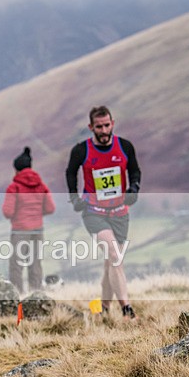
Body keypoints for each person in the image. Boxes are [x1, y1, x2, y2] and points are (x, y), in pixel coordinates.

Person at [66, 105, 141, 319]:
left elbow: (135, 170)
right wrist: (75, 198)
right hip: (94, 213)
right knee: (115, 256)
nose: (104, 130)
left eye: (107, 125)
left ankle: (104, 310)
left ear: (113, 124)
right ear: (91, 127)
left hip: (120, 213)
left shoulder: (125, 147)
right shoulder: (81, 150)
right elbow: (70, 172)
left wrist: (134, 189)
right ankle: (127, 309)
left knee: (111, 262)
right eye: (99, 127)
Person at [2, 146, 55, 296]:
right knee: (35, 264)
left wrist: (19, 216)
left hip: (20, 231)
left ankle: (17, 295)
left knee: (16, 265)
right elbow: (50, 208)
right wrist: (37, 214)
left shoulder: (14, 187)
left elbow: (7, 212)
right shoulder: (41, 186)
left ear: (17, 170)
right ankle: (36, 296)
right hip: (38, 230)